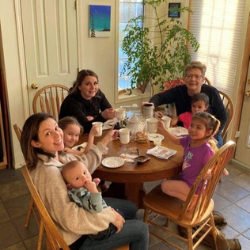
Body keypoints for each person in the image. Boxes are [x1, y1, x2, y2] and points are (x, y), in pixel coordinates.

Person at [20, 113, 149, 250]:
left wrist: (104, 141)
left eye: (56, 128)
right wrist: (109, 216)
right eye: (48, 134)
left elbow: (82, 164)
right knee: (141, 230)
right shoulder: (49, 173)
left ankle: (120, 231)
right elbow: (70, 219)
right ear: (35, 142)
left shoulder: (55, 155)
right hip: (77, 239)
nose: (58, 135)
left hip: (83, 207)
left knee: (131, 207)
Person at [148, 61, 227, 147]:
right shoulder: (178, 91)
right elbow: (160, 97)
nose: (193, 79)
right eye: (189, 76)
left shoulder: (212, 92)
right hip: (184, 134)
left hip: (210, 136)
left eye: (197, 76)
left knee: (200, 154)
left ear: (203, 80)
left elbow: (223, 117)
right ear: (185, 79)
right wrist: (151, 104)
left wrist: (211, 135)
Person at [158, 112, 220, 206]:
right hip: (187, 179)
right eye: (192, 125)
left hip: (194, 187)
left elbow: (212, 168)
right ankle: (192, 199)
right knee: (170, 178)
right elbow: (175, 140)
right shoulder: (189, 139)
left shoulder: (206, 150)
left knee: (164, 186)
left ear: (208, 132)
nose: (193, 129)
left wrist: (209, 173)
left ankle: (194, 200)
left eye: (198, 127)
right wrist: (163, 129)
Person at [62, 160, 123, 240]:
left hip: (101, 217)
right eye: (77, 178)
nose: (84, 177)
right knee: (120, 213)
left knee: (121, 212)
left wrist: (93, 184)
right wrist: (94, 190)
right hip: (101, 231)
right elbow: (97, 209)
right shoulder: (81, 196)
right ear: (70, 186)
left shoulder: (79, 188)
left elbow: (87, 193)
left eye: (84, 172)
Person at [59, 69, 116, 133]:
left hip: (91, 133)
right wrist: (102, 116)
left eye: (95, 83)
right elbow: (85, 128)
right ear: (79, 86)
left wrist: (93, 119)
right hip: (70, 137)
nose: (93, 87)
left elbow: (110, 112)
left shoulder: (98, 93)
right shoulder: (71, 102)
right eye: (88, 84)